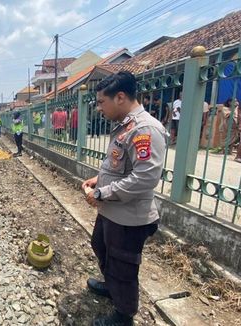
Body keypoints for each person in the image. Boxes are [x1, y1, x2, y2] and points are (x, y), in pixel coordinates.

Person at [82, 71, 167, 326]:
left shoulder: (145, 129)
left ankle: (123, 315)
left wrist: (101, 193)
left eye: (100, 102)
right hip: (112, 212)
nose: (98, 108)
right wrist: (100, 180)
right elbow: (120, 165)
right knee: (101, 247)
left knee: (123, 267)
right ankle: (112, 287)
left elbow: (145, 179)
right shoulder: (124, 126)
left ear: (120, 97)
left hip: (129, 219)